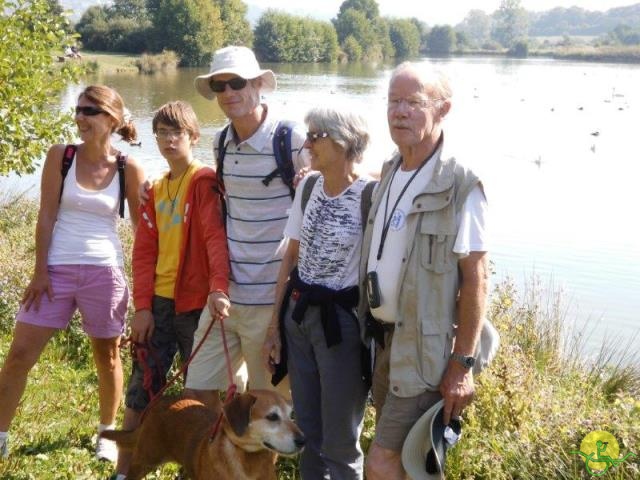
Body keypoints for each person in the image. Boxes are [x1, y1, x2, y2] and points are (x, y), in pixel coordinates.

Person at [358, 62, 489, 479]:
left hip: (423, 352)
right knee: (407, 461)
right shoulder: (392, 169)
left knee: (381, 460)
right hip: (384, 342)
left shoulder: (460, 183)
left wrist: (462, 364)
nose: (399, 112)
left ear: (443, 109)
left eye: (413, 103)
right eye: (394, 101)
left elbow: (477, 277)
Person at [0, 85, 145, 462]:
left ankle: (106, 436)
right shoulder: (60, 156)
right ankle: (0, 435)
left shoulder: (127, 167)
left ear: (111, 118)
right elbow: (46, 215)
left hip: (105, 273)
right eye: (78, 110)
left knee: (108, 358)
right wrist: (39, 271)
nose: (80, 118)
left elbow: (144, 232)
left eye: (90, 111)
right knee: (18, 357)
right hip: (55, 272)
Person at [184, 45, 308, 409]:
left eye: (236, 82)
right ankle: (215, 462)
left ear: (257, 84)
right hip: (226, 297)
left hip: (271, 300)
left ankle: (260, 465)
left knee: (266, 403)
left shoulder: (291, 139)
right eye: (219, 86)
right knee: (198, 391)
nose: (227, 93)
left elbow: (328, 194)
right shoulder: (220, 142)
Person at [112, 101, 230, 479]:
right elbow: (144, 253)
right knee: (142, 389)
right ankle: (124, 469)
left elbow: (214, 239)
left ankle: (199, 467)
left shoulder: (203, 180)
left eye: (176, 132)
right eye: (161, 132)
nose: (167, 140)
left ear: (193, 136)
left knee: (201, 392)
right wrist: (142, 307)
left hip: (197, 305)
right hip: (159, 305)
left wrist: (218, 287)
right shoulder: (156, 189)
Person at [262, 107, 372, 479]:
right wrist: (274, 326)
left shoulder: (370, 195)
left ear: (342, 142)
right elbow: (290, 257)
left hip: (340, 325)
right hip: (299, 316)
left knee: (340, 438)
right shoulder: (308, 187)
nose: (306, 144)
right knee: (307, 429)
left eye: (315, 136)